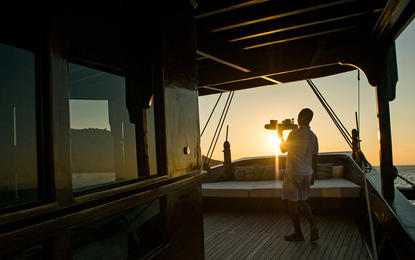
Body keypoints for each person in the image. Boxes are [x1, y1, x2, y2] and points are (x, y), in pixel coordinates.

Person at [279, 108, 319, 242]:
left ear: (301, 118)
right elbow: (315, 159)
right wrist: (313, 174)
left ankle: (298, 233)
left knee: (293, 204)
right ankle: (313, 226)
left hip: (293, 174)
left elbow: (283, 149)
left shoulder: (293, 133)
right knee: (303, 201)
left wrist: (280, 133)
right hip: (307, 173)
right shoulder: (313, 136)